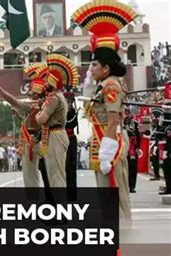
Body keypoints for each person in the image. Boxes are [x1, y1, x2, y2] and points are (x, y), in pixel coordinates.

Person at [72, 0, 136, 221]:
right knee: (106, 193)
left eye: (94, 65)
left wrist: (108, 154)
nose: (90, 69)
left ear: (106, 67)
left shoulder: (110, 86)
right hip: (103, 139)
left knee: (115, 193)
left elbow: (112, 121)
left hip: (110, 140)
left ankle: (123, 236)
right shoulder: (104, 84)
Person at [0, 63, 49, 187]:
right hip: (43, 139)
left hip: (33, 140)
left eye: (31, 93)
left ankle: (34, 197)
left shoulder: (32, 105)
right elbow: (28, 121)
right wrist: (18, 115)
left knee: (30, 172)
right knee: (48, 171)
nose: (29, 95)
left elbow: (13, 100)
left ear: (36, 94)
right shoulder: (45, 103)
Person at [35, 54, 78, 188]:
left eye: (47, 80)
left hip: (55, 136)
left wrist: (38, 113)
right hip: (55, 135)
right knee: (54, 174)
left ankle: (60, 206)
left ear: (52, 82)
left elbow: (41, 119)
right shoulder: (57, 96)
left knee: (56, 176)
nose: (45, 84)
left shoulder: (53, 98)